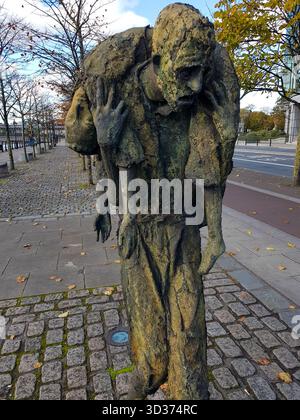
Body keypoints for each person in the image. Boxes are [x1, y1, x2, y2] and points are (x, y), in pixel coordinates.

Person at [66, 3, 240, 400]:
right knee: (151, 343)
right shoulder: (121, 92)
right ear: (159, 60)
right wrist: (108, 204)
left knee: (189, 332)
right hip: (140, 233)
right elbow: (103, 153)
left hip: (182, 232)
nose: (195, 85)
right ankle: (147, 377)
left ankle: (187, 397)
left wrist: (216, 233)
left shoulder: (200, 97)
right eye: (185, 72)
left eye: (200, 71)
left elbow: (211, 165)